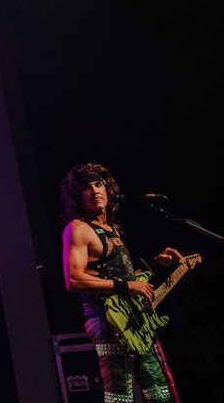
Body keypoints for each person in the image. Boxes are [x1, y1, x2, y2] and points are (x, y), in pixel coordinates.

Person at [60, 162, 182, 403]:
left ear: (107, 189)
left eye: (98, 184)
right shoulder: (78, 229)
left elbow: (121, 275)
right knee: (120, 397)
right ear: (77, 196)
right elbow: (73, 279)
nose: (95, 191)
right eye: (86, 187)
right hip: (106, 320)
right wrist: (126, 286)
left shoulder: (111, 230)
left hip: (133, 321)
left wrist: (156, 263)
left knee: (160, 394)